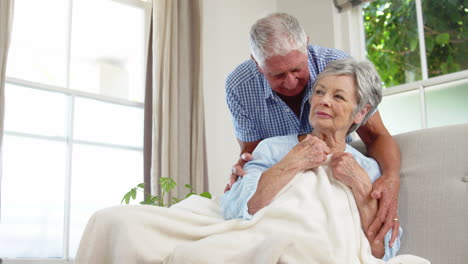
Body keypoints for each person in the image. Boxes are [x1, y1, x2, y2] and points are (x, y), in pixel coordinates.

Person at [225, 12, 401, 247]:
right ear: (257, 65)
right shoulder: (240, 87)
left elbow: (377, 135)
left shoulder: (339, 69)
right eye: (277, 75)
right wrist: (249, 173)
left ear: (306, 45)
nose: (290, 83)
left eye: (297, 70)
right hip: (279, 197)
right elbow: (250, 159)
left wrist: (389, 178)